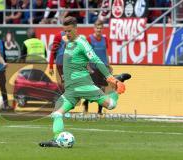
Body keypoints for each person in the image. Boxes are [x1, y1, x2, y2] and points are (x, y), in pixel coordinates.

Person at [39, 16, 125, 147]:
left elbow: (95, 60)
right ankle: (57, 140)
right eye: (65, 31)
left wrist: (110, 77)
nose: (66, 34)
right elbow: (78, 59)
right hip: (71, 89)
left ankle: (118, 82)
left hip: (83, 85)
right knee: (56, 113)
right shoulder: (68, 41)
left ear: (75, 29)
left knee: (111, 105)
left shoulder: (82, 43)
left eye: (69, 31)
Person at [83, 19, 131, 115]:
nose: (99, 30)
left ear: (103, 29)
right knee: (92, 88)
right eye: (97, 28)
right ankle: (86, 104)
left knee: (102, 89)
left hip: (103, 67)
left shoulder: (105, 39)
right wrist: (88, 67)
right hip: (93, 67)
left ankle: (99, 111)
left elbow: (106, 52)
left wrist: (108, 65)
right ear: (94, 28)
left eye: (100, 28)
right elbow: (85, 54)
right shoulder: (89, 39)